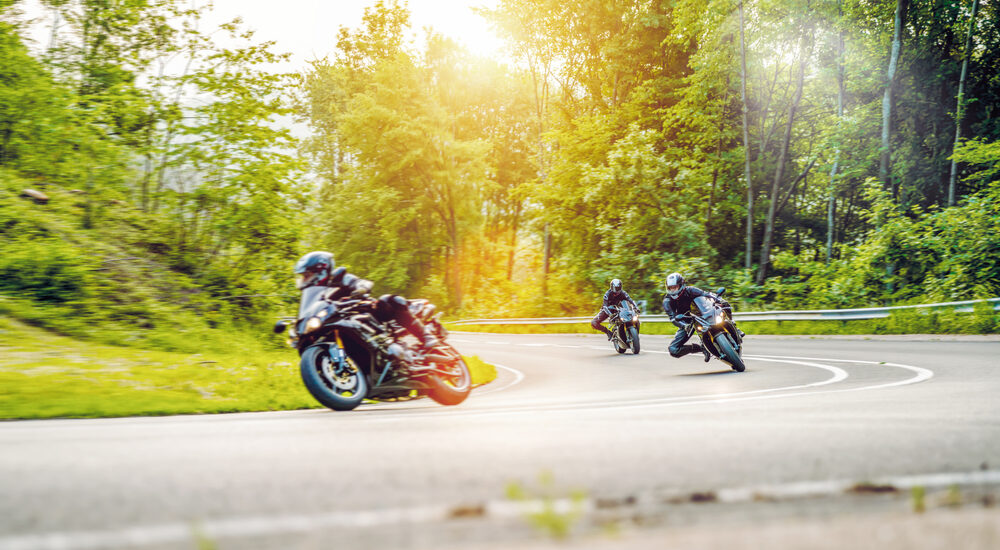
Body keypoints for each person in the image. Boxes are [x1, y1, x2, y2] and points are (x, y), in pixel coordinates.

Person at [293, 251, 439, 349]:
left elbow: (364, 284)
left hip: (368, 316)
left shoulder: (340, 279)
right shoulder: (315, 296)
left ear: (321, 270)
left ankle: (426, 336)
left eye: (307, 275)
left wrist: (360, 289)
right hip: (345, 326)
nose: (304, 279)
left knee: (388, 300)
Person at [662, 272, 712, 362]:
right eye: (670, 288)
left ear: (681, 285)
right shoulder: (667, 301)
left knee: (722, 305)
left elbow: (706, 295)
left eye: (675, 287)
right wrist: (683, 326)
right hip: (686, 322)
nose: (673, 290)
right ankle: (702, 348)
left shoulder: (690, 290)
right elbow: (672, 318)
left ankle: (734, 328)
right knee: (673, 349)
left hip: (703, 315)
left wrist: (716, 299)